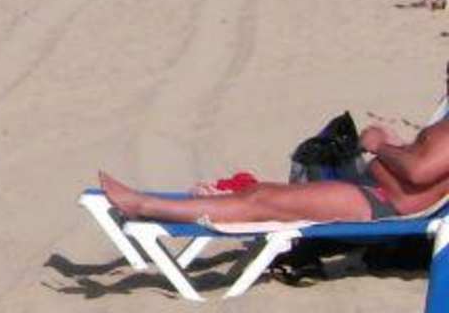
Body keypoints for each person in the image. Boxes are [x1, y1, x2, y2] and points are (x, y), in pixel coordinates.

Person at [99, 107, 449, 227]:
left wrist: (379, 146)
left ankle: (144, 206)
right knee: (261, 194)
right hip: (373, 190)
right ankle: (152, 205)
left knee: (261, 201)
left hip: (382, 201)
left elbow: (419, 172)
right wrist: (400, 145)